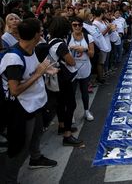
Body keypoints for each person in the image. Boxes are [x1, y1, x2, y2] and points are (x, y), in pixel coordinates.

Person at [0, 18, 57, 183]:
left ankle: (36, 158)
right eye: (40, 31)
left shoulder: (31, 49)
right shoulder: (14, 59)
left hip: (36, 104)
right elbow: (15, 90)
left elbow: (35, 68)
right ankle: (9, 178)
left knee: (38, 132)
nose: (43, 33)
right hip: (22, 109)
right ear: (36, 36)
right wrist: (39, 74)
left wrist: (47, 70)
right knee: (20, 147)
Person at [48, 16, 83, 147]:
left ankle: (62, 126)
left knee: (61, 103)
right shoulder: (61, 44)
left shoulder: (50, 40)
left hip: (56, 76)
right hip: (64, 78)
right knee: (71, 104)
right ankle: (67, 135)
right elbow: (71, 61)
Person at [68, 17, 95, 121]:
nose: (77, 27)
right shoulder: (68, 37)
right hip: (72, 69)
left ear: (82, 26)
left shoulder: (88, 37)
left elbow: (92, 54)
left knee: (84, 92)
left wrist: (84, 49)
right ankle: (71, 114)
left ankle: (86, 111)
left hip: (85, 69)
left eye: (79, 25)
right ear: (71, 26)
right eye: (75, 25)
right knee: (72, 93)